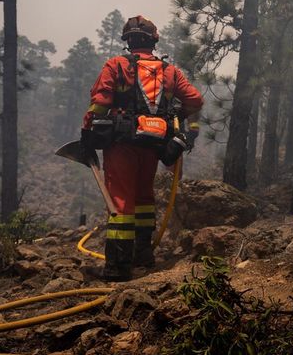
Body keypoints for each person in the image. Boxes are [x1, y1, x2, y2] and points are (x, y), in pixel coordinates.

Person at [80, 15, 203, 281]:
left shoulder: (116, 65)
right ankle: (143, 256)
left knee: (121, 202)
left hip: (122, 144)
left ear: (128, 41)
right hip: (155, 144)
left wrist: (87, 131)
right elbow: (195, 100)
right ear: (153, 41)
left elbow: (100, 101)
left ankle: (118, 268)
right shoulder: (169, 71)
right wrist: (184, 125)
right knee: (145, 198)